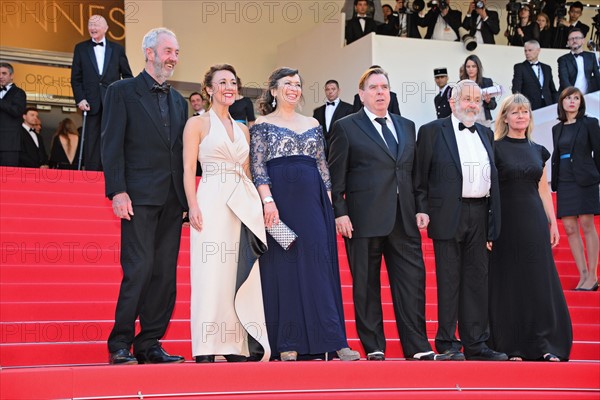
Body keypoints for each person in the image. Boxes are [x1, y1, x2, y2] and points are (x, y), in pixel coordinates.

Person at [328, 67, 448, 362]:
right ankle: (374, 346)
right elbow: (334, 178)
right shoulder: (346, 127)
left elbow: (415, 174)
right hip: (363, 220)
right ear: (362, 95)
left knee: (412, 283)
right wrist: (339, 214)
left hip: (404, 219)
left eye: (384, 87)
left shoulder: (407, 126)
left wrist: (421, 207)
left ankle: (418, 346)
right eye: (373, 87)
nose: (380, 92)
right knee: (366, 285)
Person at [249, 67, 359, 362]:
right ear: (273, 90)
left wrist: (330, 207)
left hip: (314, 204)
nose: (294, 88)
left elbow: (323, 168)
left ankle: (334, 340)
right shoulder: (262, 124)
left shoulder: (312, 122)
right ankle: (288, 342)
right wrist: (268, 202)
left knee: (319, 267)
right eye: (287, 83)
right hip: (279, 202)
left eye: (298, 84)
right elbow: (258, 168)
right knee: (284, 265)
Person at [101, 27, 188, 365]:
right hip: (137, 196)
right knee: (139, 268)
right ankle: (120, 343)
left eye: (177, 52)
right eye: (168, 50)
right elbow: (112, 144)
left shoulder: (179, 101)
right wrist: (117, 190)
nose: (173, 58)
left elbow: (181, 151)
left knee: (165, 273)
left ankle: (149, 342)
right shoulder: (121, 91)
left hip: (171, 200)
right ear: (149, 52)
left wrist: (187, 200)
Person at [415, 80, 508, 362]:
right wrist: (422, 209)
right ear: (453, 102)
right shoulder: (431, 131)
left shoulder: (486, 133)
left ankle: (477, 343)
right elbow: (420, 177)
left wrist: (493, 220)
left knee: (477, 280)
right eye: (466, 99)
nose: (471, 104)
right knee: (449, 280)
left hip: (480, 213)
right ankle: (447, 342)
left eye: (476, 100)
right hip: (447, 214)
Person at [183, 64, 270, 363]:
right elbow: (186, 170)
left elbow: (249, 173)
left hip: (241, 204)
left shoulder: (244, 129)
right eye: (222, 82)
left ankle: (235, 345)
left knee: (236, 273)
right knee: (209, 275)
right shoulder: (196, 124)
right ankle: (206, 346)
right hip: (210, 200)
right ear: (208, 89)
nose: (228, 87)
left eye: (233, 82)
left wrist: (262, 206)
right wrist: (192, 205)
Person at [489, 94, 573, 362]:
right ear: (505, 118)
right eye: (515, 112)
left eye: (525, 112)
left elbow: (543, 189)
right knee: (510, 283)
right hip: (506, 223)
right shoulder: (495, 148)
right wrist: (489, 227)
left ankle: (544, 344)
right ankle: (511, 346)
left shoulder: (538, 150)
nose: (521, 116)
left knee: (537, 281)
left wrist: (552, 222)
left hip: (534, 220)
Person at [551, 87, 600, 291]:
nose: (572, 101)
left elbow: (598, 151)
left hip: (585, 179)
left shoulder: (590, 123)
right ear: (561, 102)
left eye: (576, 98)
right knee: (570, 228)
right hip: (564, 179)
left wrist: (595, 176)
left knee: (587, 224)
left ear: (581, 102)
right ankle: (583, 275)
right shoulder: (557, 128)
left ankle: (593, 275)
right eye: (568, 98)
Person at [71, 15, 133, 171]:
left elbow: (127, 76)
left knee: (112, 137)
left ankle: (111, 172)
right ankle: (91, 175)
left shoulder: (117, 49)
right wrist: (80, 99)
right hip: (90, 103)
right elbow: (75, 78)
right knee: (91, 139)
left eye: (96, 25)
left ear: (106, 28)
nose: (92, 28)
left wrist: (122, 98)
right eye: (90, 24)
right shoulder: (81, 48)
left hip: (112, 102)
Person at [512, 40, 558, 110]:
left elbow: (552, 89)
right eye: (525, 51)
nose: (527, 53)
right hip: (529, 106)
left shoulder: (547, 68)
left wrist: (555, 105)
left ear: (538, 50)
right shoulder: (520, 67)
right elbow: (516, 89)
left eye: (530, 50)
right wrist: (521, 107)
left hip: (547, 104)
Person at [312, 79, 353, 150]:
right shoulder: (317, 111)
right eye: (327, 89)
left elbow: (351, 132)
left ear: (339, 90)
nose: (330, 92)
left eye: (333, 89)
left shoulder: (349, 109)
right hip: (322, 150)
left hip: (341, 148)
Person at [557, 29, 600, 94]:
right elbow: (564, 81)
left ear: (583, 41)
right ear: (568, 43)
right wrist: (574, 95)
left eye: (577, 38)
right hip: (569, 96)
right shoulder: (563, 59)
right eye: (571, 39)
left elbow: (597, 76)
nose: (574, 40)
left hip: (588, 96)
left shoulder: (591, 56)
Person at [0, 62, 27, 167]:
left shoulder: (19, 92)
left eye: (4, 73)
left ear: (11, 76)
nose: (0, 76)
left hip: (9, 145)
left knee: (7, 178)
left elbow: (17, 111)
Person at [460, 55, 496, 127]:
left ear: (478, 67)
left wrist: (488, 101)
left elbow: (493, 105)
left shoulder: (487, 82)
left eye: (474, 66)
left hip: (484, 122)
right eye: (468, 67)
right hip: (467, 121)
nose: (470, 69)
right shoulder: (461, 84)